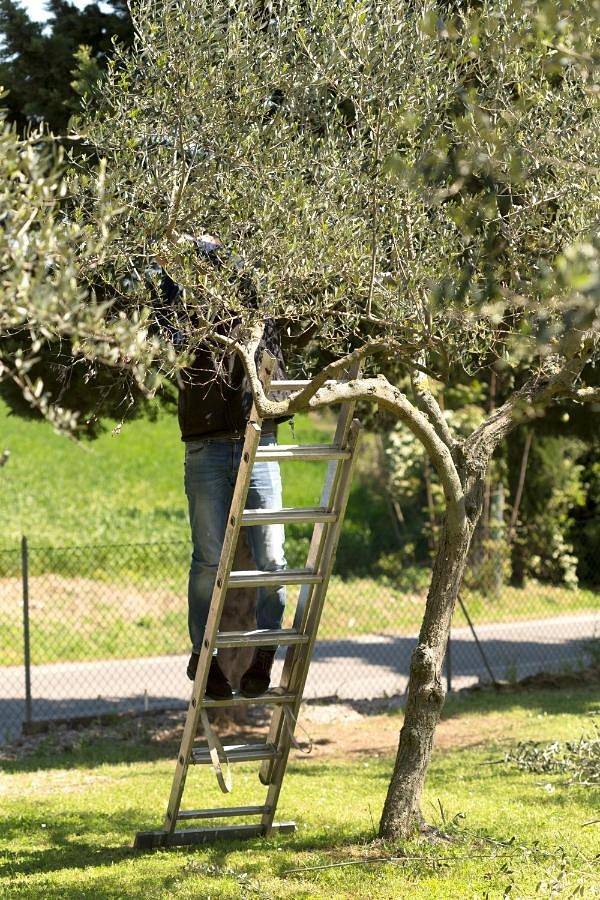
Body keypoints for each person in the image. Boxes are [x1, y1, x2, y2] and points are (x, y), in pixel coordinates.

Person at [160, 235, 306, 700]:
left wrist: (224, 252)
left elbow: (277, 339)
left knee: (272, 558)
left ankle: (264, 653)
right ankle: (204, 657)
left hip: (258, 439)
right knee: (207, 559)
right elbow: (167, 326)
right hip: (205, 444)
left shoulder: (258, 293)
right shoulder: (181, 299)